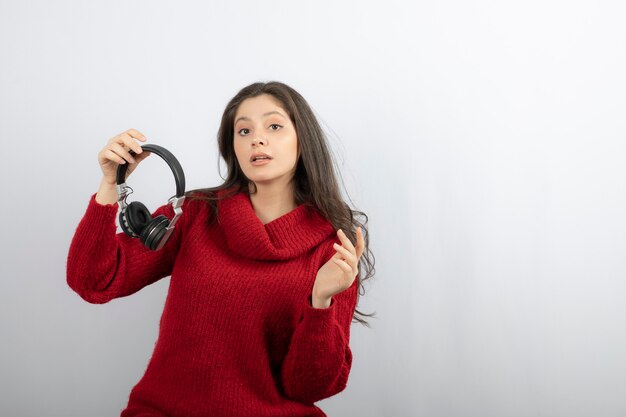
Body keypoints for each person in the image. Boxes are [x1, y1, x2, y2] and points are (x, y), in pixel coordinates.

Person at [66, 81, 375, 416]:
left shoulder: (335, 246)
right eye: (243, 130)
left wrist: (321, 302)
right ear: (233, 147)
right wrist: (110, 184)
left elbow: (310, 387)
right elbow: (93, 281)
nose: (257, 138)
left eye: (274, 126)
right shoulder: (196, 213)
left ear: (303, 140)